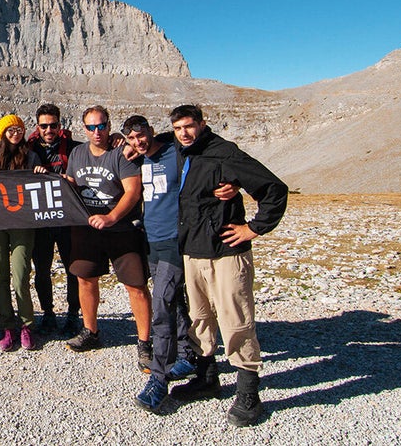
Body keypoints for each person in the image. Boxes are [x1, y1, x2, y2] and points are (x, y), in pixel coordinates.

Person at [167, 104, 288, 428]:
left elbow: (274, 189)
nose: (184, 133)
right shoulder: (177, 150)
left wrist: (253, 227)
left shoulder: (225, 153)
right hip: (193, 251)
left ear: (202, 124)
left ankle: (249, 392)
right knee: (200, 319)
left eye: (189, 126)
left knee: (236, 321)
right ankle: (208, 379)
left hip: (226, 253)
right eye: (178, 128)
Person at [121, 115, 236, 413]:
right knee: (176, 302)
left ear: (150, 130)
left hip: (176, 239)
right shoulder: (136, 158)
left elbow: (210, 155)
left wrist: (233, 183)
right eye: (132, 138)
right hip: (153, 239)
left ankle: (158, 379)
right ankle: (186, 354)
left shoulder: (176, 149)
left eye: (142, 134)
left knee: (161, 304)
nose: (138, 141)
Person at [64, 106, 152, 372]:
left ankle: (145, 342)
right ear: (84, 129)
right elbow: (70, 183)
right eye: (91, 127)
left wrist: (111, 217)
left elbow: (133, 192)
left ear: (109, 124)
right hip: (87, 229)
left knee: (135, 285)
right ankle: (91, 331)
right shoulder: (77, 153)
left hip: (122, 229)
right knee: (86, 279)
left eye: (101, 126)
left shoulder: (121, 152)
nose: (97, 131)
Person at [0, 114, 47, 351]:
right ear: (2, 134)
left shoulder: (31, 157)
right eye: (10, 130)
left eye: (18, 128)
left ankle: (27, 325)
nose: (15, 133)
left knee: (20, 276)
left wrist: (39, 172)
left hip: (22, 224)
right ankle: (8, 327)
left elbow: (40, 184)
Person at [26, 103, 82, 336]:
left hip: (68, 219)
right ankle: (48, 314)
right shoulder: (27, 150)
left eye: (53, 125)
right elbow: (3, 159)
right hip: (41, 221)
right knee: (41, 270)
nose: (49, 130)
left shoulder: (75, 149)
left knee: (73, 269)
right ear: (37, 127)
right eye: (44, 126)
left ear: (61, 125)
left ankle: (73, 315)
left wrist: (118, 137)